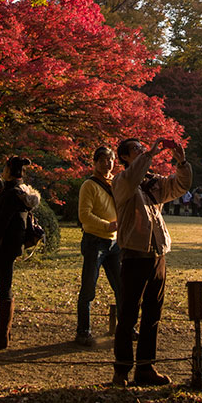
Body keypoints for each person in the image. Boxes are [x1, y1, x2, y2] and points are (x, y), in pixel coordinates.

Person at [111, 137, 192, 387]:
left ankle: (146, 367)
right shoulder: (122, 181)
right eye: (136, 149)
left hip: (158, 253)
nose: (142, 151)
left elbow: (180, 186)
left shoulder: (152, 183)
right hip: (134, 253)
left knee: (152, 314)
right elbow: (133, 177)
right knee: (127, 314)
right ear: (124, 157)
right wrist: (150, 155)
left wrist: (182, 162)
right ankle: (122, 370)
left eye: (142, 148)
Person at [0, 155, 40, 350]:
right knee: (6, 284)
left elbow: (1, 223)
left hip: (5, 244)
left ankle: (2, 335)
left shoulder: (8, 195)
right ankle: (4, 332)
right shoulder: (22, 194)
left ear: (8, 171)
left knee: (4, 286)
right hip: (16, 244)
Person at [75, 145, 121, 347]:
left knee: (121, 287)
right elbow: (84, 215)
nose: (107, 163)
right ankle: (83, 331)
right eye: (102, 160)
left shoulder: (116, 183)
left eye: (110, 159)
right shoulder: (89, 185)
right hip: (95, 240)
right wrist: (107, 225)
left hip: (114, 242)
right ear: (95, 163)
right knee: (88, 287)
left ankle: (125, 327)